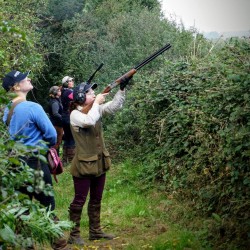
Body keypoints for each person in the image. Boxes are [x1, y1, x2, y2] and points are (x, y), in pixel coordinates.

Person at [2, 70, 69, 250]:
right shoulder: (33, 107)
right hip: (36, 163)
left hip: (14, 164)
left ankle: (26, 246)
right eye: (25, 79)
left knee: (22, 209)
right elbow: (52, 135)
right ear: (16, 86)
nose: (29, 79)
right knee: (47, 206)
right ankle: (59, 244)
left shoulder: (7, 109)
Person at [67, 77, 132, 246]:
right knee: (79, 200)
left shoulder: (94, 108)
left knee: (96, 198)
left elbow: (113, 107)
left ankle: (95, 231)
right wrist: (96, 103)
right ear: (81, 98)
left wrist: (121, 91)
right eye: (90, 92)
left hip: (99, 163)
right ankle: (74, 234)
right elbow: (88, 121)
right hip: (83, 165)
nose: (94, 93)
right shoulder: (75, 115)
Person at [61, 76, 75, 164]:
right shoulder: (69, 92)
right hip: (68, 116)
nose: (72, 82)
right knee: (71, 138)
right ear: (66, 83)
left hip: (64, 116)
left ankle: (64, 160)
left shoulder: (63, 91)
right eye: (70, 81)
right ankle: (71, 160)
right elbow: (76, 97)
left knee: (67, 138)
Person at [48, 86, 63, 155]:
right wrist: (63, 118)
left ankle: (55, 159)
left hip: (55, 124)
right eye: (59, 90)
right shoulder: (54, 102)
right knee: (57, 142)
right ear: (55, 92)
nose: (60, 91)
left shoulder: (56, 100)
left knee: (57, 142)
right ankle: (54, 160)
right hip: (56, 124)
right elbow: (55, 113)